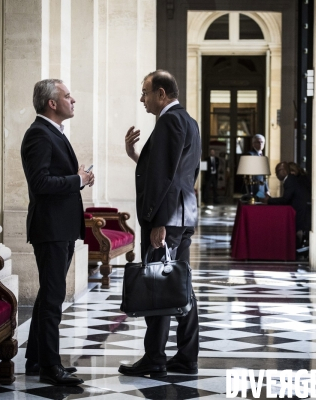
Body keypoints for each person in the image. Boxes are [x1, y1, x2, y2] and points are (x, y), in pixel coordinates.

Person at [120, 70, 201, 377]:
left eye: (145, 92)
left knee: (157, 286)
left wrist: (159, 222)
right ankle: (186, 357)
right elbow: (175, 173)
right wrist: (135, 155)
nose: (142, 99)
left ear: (162, 94)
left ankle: (155, 357)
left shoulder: (169, 121)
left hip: (168, 219)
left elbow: (166, 177)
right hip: (183, 214)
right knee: (180, 287)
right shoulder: (188, 120)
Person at [21, 79, 94, 386]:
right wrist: (77, 180)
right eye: (67, 96)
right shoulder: (39, 134)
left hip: (60, 227)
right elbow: (40, 183)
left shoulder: (53, 132)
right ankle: (51, 366)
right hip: (50, 228)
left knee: (49, 295)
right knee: (53, 298)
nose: (72, 99)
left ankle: (36, 358)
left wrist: (80, 178)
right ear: (52, 103)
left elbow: (57, 178)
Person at [262, 161, 311, 245]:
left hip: (301, 211)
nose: (276, 175)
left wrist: (269, 200)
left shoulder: (290, 179)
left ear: (284, 171)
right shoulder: (293, 179)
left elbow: (285, 200)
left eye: (277, 172)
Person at [247, 134, 269, 198]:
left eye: (262, 142)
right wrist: (250, 190)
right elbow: (249, 174)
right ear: (253, 144)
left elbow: (264, 175)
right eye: (258, 142)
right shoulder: (250, 155)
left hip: (262, 188)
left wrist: (267, 189)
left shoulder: (262, 155)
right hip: (254, 187)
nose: (260, 144)